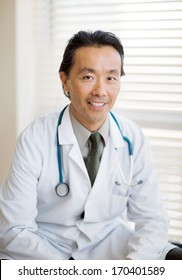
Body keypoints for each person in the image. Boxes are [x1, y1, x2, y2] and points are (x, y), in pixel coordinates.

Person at [0, 30, 181, 260]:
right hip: (44, 247)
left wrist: (132, 266)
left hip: (110, 245)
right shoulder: (35, 138)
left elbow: (152, 219)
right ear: (65, 81)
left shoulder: (132, 138)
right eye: (88, 77)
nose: (101, 91)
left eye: (111, 77)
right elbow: (13, 229)